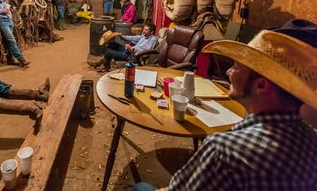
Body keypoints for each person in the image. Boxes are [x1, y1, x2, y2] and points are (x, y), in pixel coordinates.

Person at [132, 23, 317, 191]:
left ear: (261, 86)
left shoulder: (224, 151)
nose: (229, 72)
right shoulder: (311, 142)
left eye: (236, 67)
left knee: (141, 187)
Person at [88, 23, 157, 72]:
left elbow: (146, 52)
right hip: (129, 51)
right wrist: (122, 36)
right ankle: (106, 63)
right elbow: (134, 38)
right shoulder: (145, 36)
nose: (143, 31)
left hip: (134, 57)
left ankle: (102, 65)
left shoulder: (153, 39)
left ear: (152, 32)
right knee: (112, 44)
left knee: (109, 52)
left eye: (146, 30)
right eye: (144, 29)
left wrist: (132, 48)